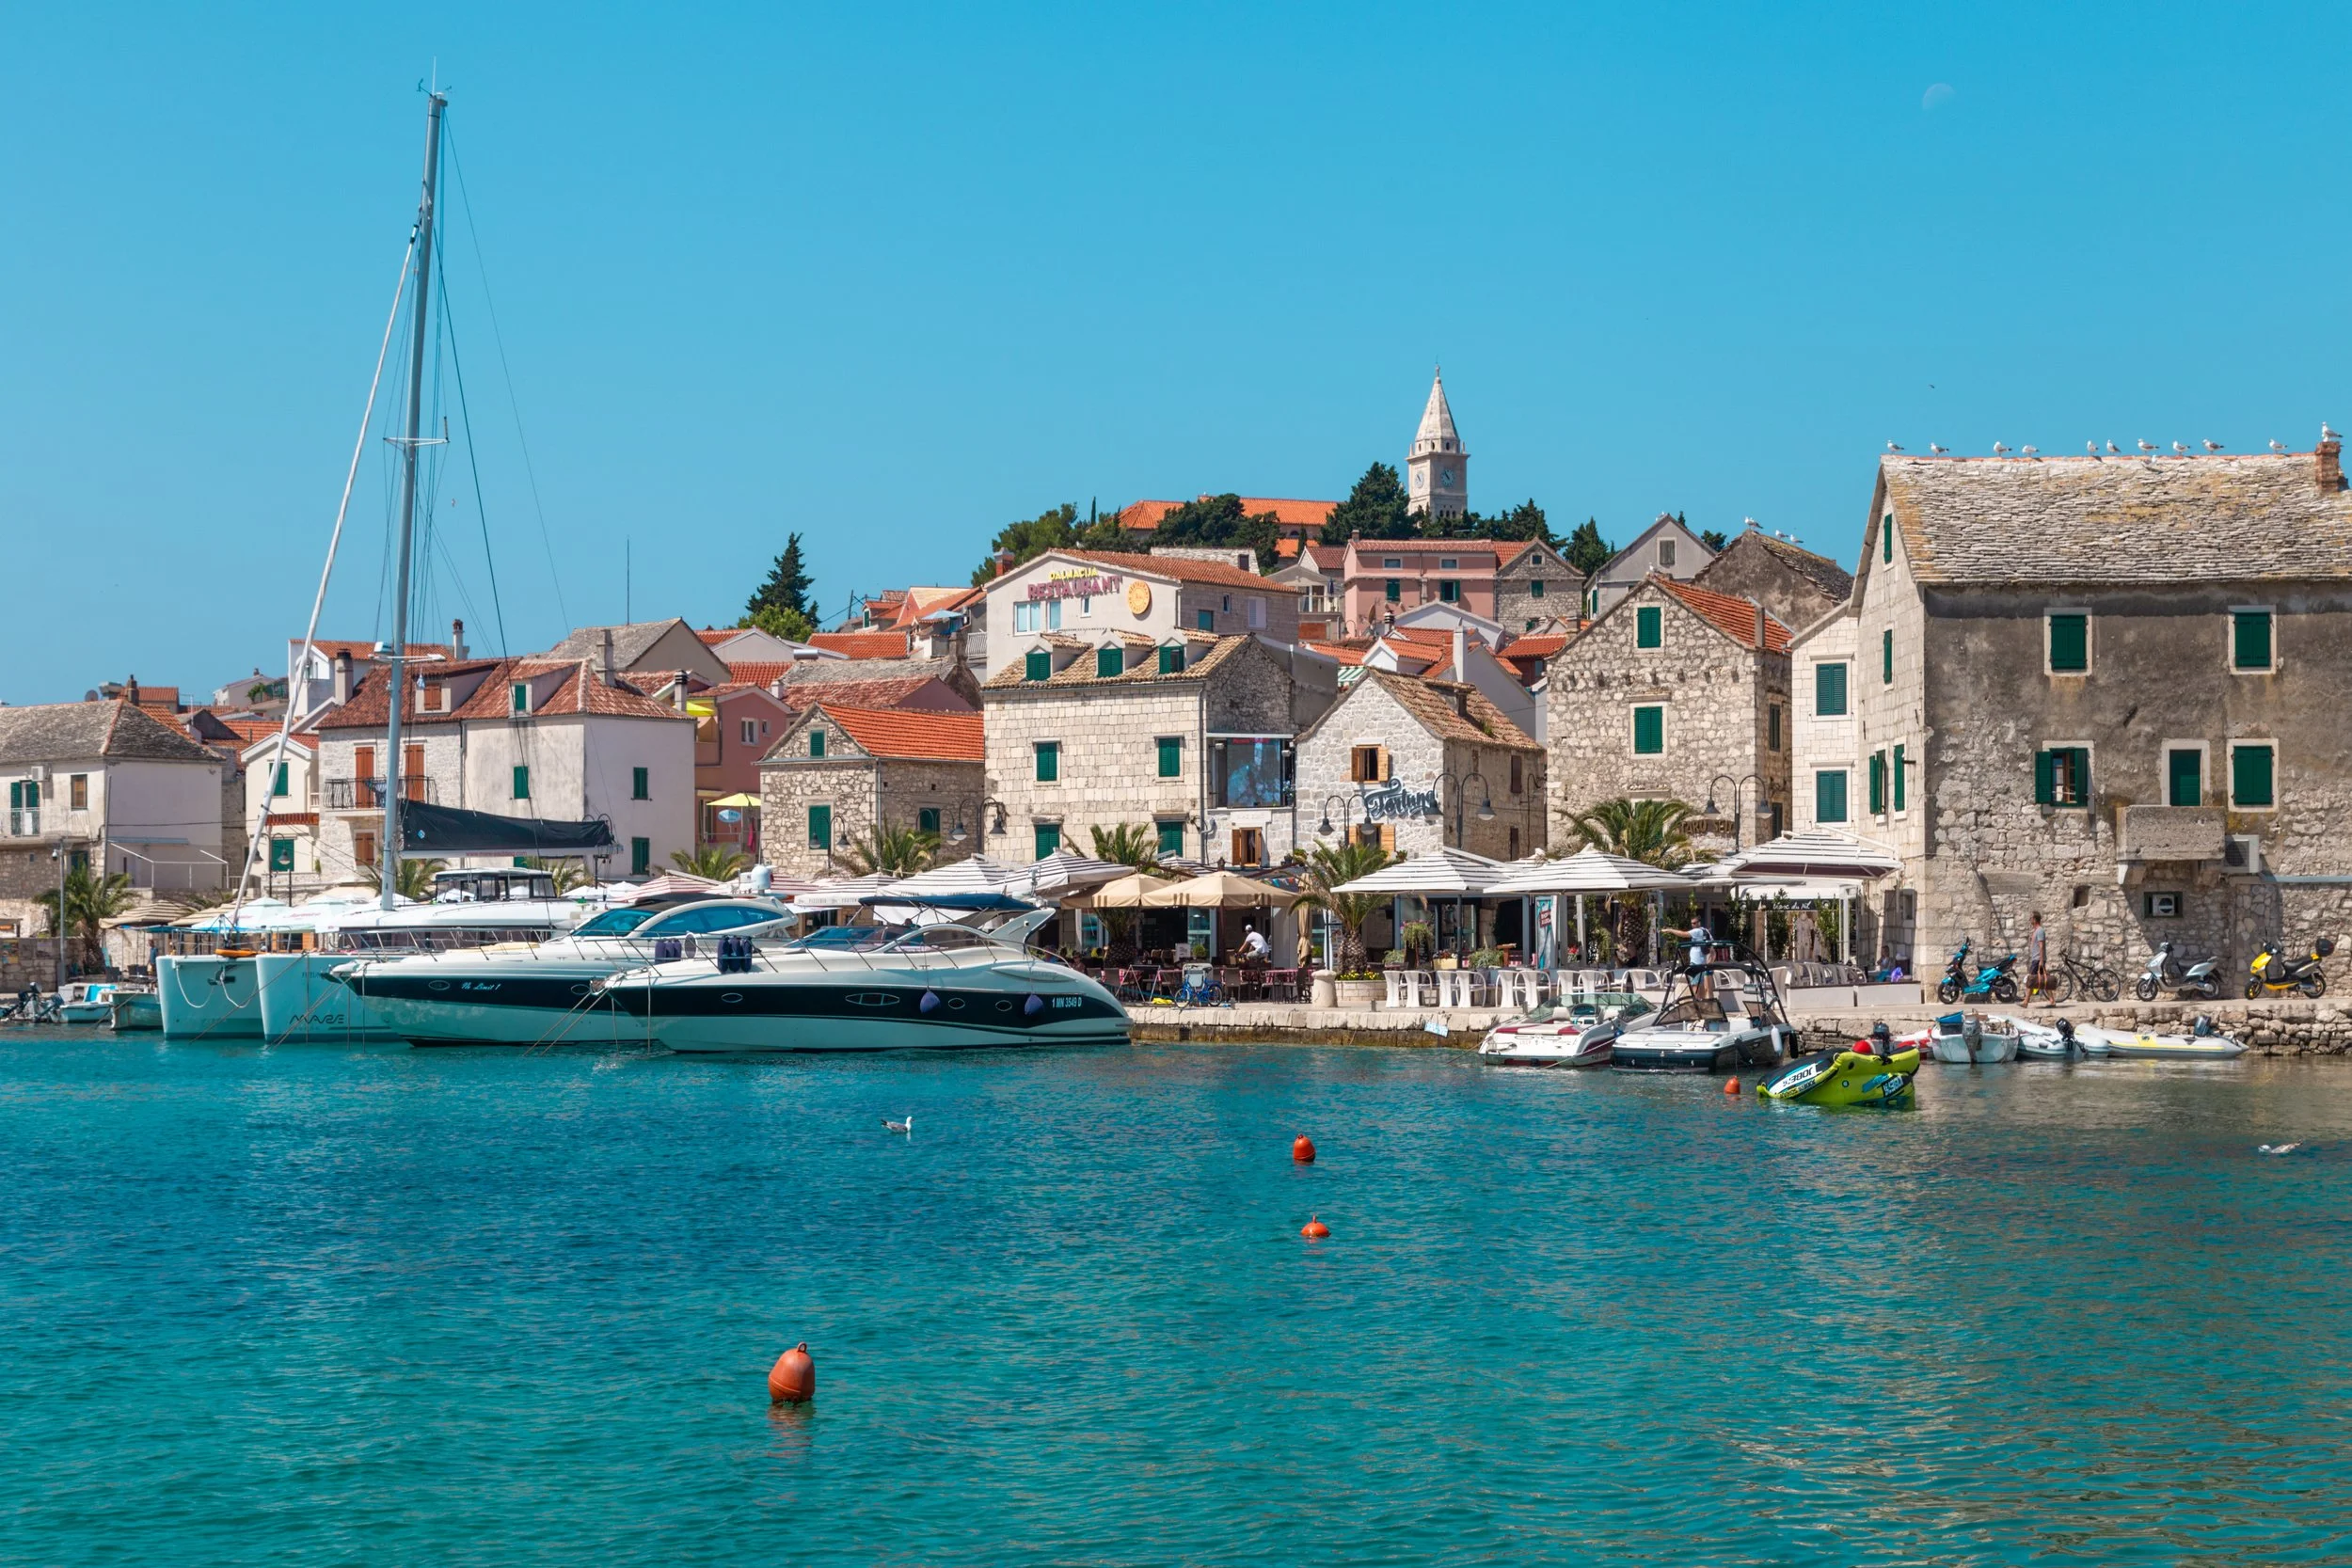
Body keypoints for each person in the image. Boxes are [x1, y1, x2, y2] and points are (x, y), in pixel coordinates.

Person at [2026, 911, 2048, 1005]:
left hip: (2038, 960)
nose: (2030, 919)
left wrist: (2041, 961)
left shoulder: (2039, 930)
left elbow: (2041, 946)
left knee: (2030, 980)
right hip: (2037, 959)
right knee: (2043, 980)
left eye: (2031, 918)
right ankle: (2052, 999)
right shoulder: (2036, 931)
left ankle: (2026, 1001)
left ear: (2035, 919)